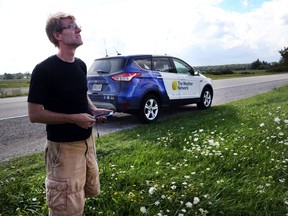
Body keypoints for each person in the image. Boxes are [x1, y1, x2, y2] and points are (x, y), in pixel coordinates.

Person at [27, 12, 111, 216]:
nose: (78, 29)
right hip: (63, 149)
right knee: (65, 207)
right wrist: (73, 118)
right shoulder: (43, 70)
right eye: (71, 26)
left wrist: (92, 110)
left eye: (77, 25)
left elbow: (82, 95)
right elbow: (35, 114)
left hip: (86, 143)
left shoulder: (80, 65)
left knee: (79, 196)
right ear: (57, 35)